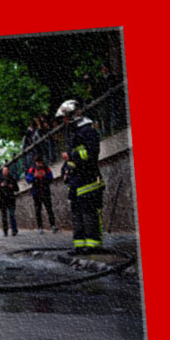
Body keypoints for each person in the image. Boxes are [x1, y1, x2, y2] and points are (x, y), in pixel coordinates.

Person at [56, 99, 104, 254]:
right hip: (76, 181)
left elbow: (90, 153)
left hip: (88, 179)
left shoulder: (87, 131)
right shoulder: (75, 132)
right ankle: (80, 244)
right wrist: (66, 170)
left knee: (89, 213)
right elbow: (72, 158)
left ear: (71, 116)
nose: (63, 121)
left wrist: (70, 156)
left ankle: (93, 245)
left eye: (64, 117)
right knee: (76, 214)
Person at [25, 156, 57, 234]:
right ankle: (40, 227)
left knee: (49, 209)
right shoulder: (32, 169)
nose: (40, 164)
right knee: (38, 210)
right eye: (38, 162)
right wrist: (34, 176)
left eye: (41, 162)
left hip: (45, 192)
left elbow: (51, 177)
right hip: (36, 193)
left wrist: (44, 176)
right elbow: (28, 179)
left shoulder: (46, 168)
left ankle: (53, 225)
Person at [0, 166, 19, 236]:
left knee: (12, 215)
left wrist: (12, 187)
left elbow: (17, 189)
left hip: (11, 199)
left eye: (6, 171)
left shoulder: (12, 179)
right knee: (4, 216)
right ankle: (5, 231)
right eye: (4, 171)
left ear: (8, 171)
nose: (5, 172)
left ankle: (14, 230)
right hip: (3, 200)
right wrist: (1, 186)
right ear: (2, 172)